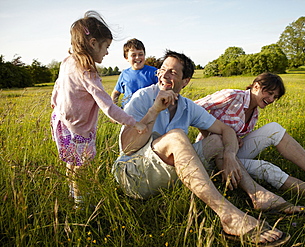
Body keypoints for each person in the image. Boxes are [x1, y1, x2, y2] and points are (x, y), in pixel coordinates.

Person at [112, 50, 292, 245]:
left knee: (217, 139)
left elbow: (226, 130)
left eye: (172, 72)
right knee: (177, 137)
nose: (165, 76)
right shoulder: (142, 98)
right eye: (162, 70)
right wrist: (154, 110)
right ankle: (228, 216)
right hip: (134, 174)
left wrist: (230, 155)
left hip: (167, 173)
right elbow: (128, 147)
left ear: (185, 81)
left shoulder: (187, 106)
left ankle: (257, 194)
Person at [194, 72, 305, 208]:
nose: (271, 100)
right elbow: (194, 109)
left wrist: (236, 139)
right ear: (255, 86)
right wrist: (212, 134)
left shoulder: (254, 113)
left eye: (275, 97)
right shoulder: (232, 96)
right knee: (267, 168)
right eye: (268, 93)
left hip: (232, 153)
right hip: (211, 156)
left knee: (274, 128)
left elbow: (235, 134)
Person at [50, 11, 147, 207]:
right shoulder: (88, 72)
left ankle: (73, 194)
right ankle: (80, 204)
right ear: (93, 43)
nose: (107, 52)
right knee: (81, 167)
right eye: (106, 47)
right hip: (79, 128)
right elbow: (108, 106)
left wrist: (55, 104)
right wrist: (133, 122)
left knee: (72, 163)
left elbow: (57, 86)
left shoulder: (67, 61)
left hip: (61, 121)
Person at [111, 38, 158, 107]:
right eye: (133, 55)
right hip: (128, 111)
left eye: (140, 54)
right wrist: (114, 109)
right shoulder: (124, 74)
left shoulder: (153, 72)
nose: (137, 57)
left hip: (148, 111)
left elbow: (163, 89)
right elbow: (116, 92)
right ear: (126, 58)